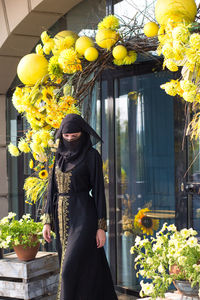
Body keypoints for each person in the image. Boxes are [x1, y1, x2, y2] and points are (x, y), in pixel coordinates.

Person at [42, 113, 118, 300]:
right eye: (66, 136)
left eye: (74, 136)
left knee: (68, 270)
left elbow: (99, 191)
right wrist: (46, 220)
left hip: (84, 216)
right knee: (80, 269)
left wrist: (101, 228)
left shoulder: (92, 156)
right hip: (61, 219)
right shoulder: (58, 156)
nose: (69, 139)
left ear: (82, 134)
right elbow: (51, 188)